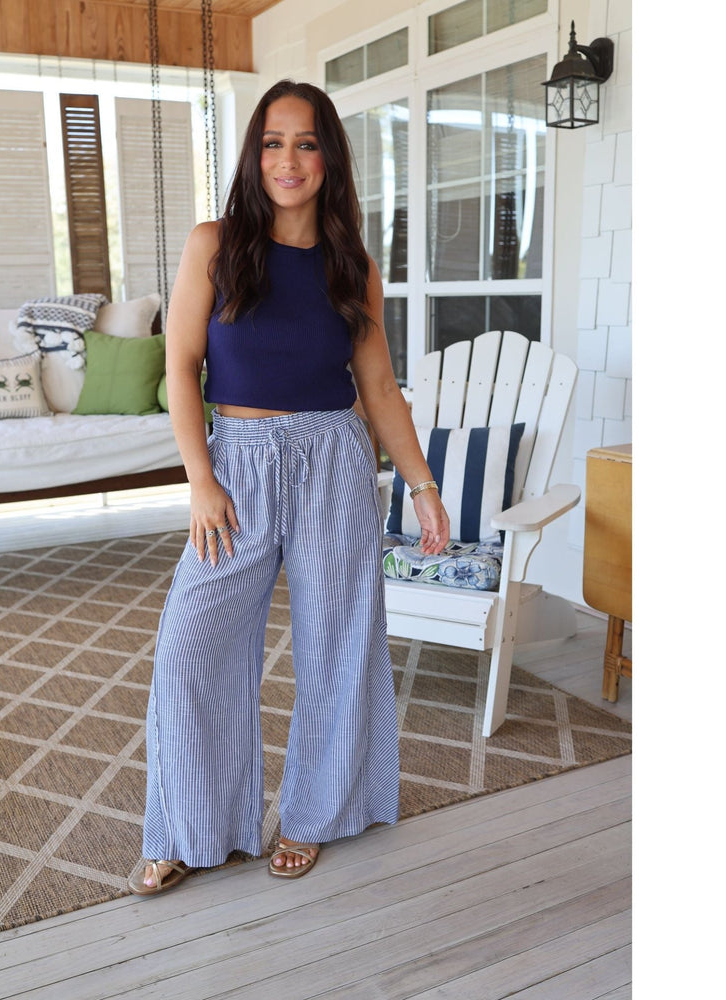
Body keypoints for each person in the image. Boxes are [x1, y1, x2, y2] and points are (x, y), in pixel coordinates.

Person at [128, 79, 450, 896]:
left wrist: (420, 486)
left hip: (335, 462)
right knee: (190, 644)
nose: (288, 159)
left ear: (329, 158)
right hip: (235, 461)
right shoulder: (216, 244)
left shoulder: (353, 267)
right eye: (273, 142)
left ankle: (313, 816)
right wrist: (200, 480)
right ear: (254, 154)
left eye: (306, 143)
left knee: (339, 643)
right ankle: (189, 828)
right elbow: (180, 365)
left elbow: (378, 388)